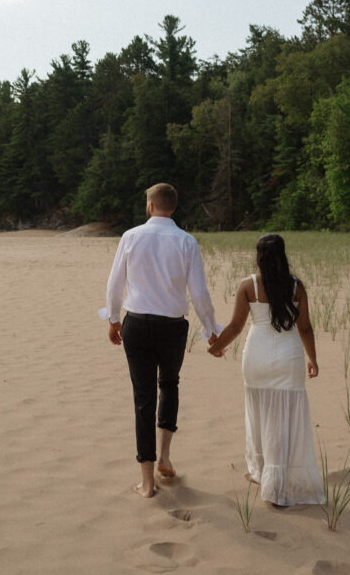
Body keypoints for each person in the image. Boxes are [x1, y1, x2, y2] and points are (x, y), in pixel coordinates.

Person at [102, 183, 222, 498]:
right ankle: (165, 456)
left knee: (143, 397)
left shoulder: (130, 236)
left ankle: (147, 481)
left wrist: (113, 319)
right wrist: (211, 328)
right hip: (172, 326)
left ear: (151, 207)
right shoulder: (187, 241)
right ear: (172, 207)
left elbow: (115, 283)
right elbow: (198, 293)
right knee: (169, 384)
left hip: (137, 324)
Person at [207, 233, 325, 507]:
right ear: (283, 256)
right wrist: (313, 359)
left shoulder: (249, 285)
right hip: (289, 356)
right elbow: (304, 327)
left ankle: (263, 474)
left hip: (257, 355)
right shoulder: (296, 287)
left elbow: (236, 326)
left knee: (260, 414)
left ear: (258, 257)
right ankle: (278, 482)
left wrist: (216, 347)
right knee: (284, 419)